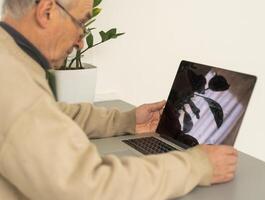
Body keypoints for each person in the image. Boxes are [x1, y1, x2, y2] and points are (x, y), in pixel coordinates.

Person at [0, 0, 238, 199]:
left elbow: (49, 114)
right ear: (47, 11)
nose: (80, 42)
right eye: (81, 23)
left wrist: (125, 121)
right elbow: (88, 186)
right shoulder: (15, 85)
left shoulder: (9, 59)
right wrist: (196, 166)